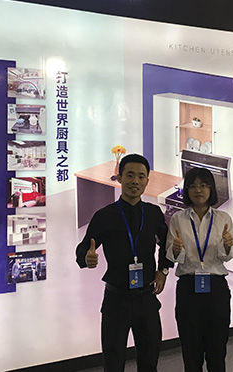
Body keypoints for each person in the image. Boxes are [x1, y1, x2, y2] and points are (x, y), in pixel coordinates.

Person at [75, 153, 171, 372]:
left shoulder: (153, 213)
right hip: (116, 299)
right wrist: (86, 258)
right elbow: (83, 248)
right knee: (113, 361)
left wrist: (163, 270)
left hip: (147, 298)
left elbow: (166, 243)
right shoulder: (105, 216)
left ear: (147, 181)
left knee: (149, 360)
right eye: (129, 175)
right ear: (119, 178)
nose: (135, 181)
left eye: (141, 176)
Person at [166, 167, 233, 372]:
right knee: (191, 351)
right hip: (188, 288)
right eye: (193, 186)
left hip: (216, 288)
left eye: (203, 185)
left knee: (217, 350)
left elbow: (227, 257)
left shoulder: (223, 218)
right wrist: (176, 249)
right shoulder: (178, 218)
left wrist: (227, 245)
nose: (198, 190)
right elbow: (173, 256)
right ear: (186, 190)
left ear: (211, 189)